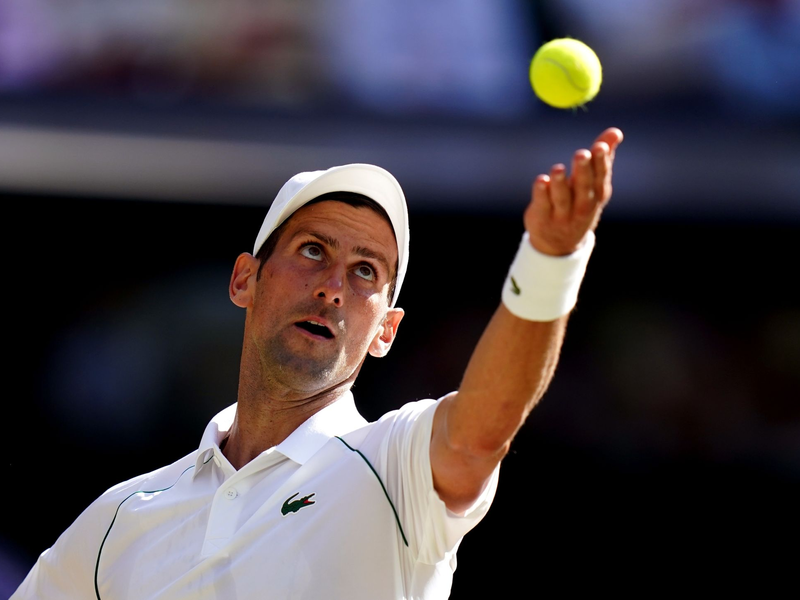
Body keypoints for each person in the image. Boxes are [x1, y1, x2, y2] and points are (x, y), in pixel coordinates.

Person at [12, 127, 624, 599]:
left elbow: (481, 433)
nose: (334, 288)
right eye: (313, 251)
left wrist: (550, 261)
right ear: (245, 279)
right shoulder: (120, 518)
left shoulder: (393, 465)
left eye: (365, 272)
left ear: (386, 331)